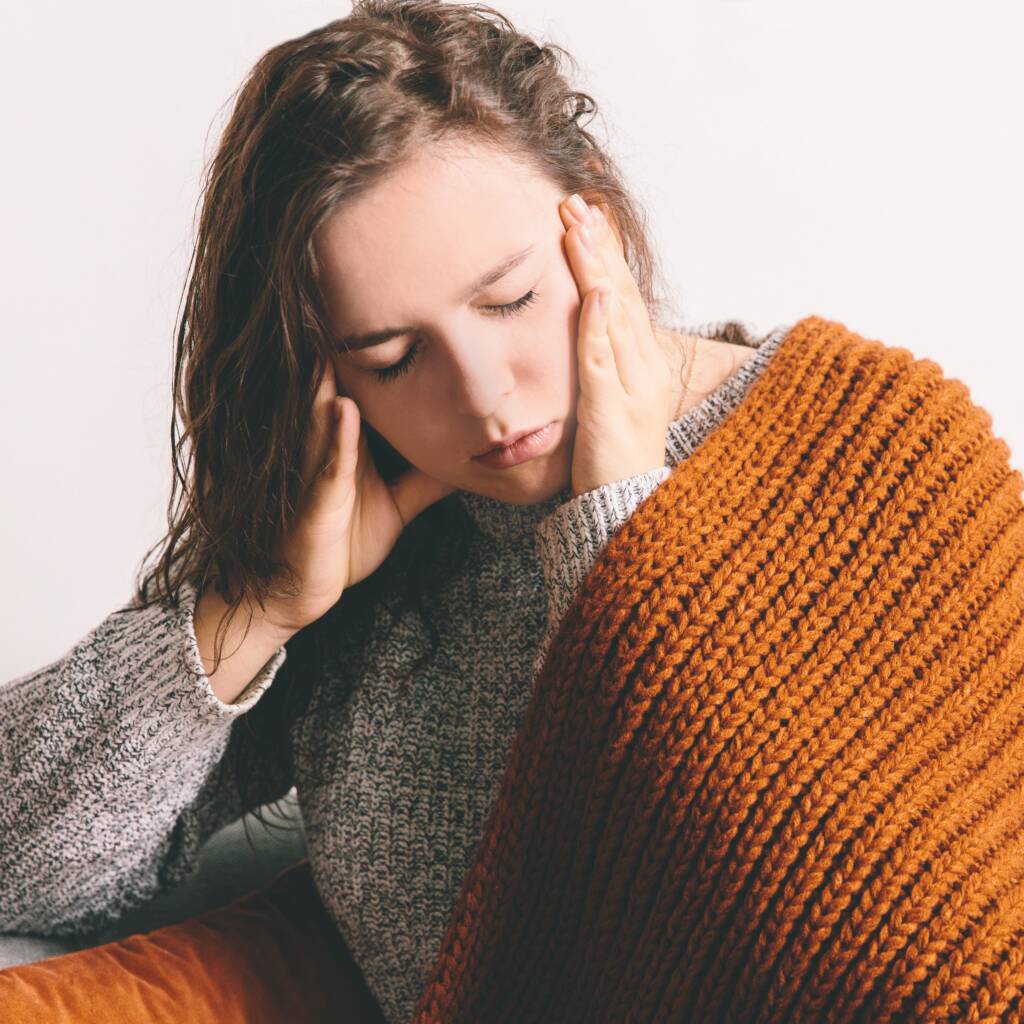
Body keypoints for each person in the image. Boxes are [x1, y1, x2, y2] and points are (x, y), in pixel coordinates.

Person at [0, 2, 797, 1021]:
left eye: (507, 301)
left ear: (592, 219)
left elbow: (768, 917)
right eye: (391, 357)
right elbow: (19, 865)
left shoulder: (853, 440)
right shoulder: (367, 554)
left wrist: (618, 523)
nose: (483, 397)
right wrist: (258, 610)